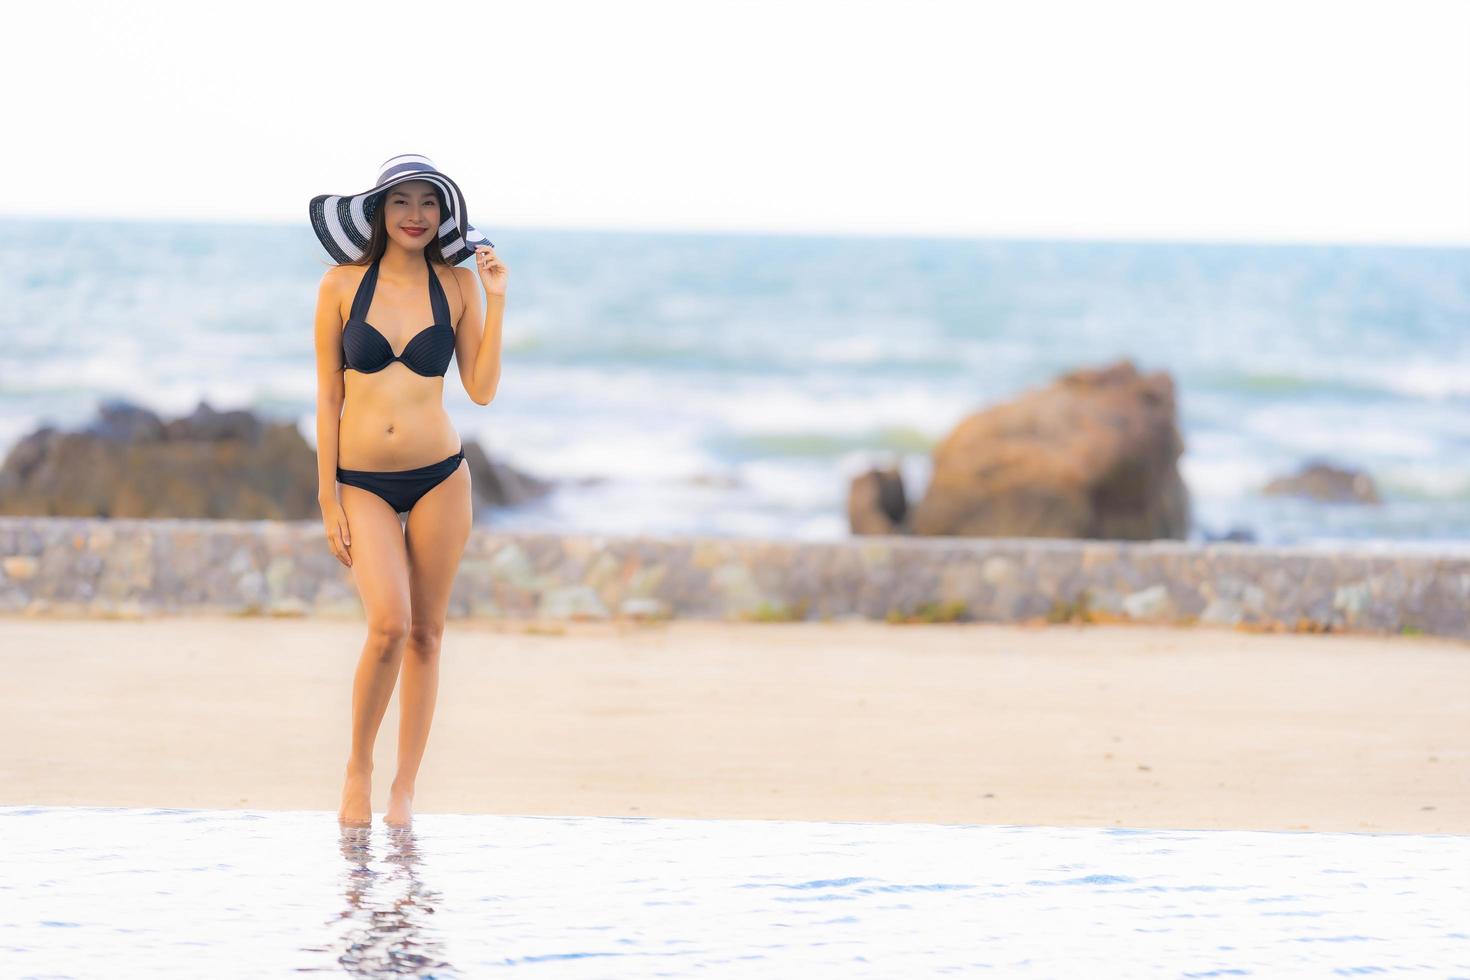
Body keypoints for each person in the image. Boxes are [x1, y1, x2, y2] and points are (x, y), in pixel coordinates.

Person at [308, 154, 508, 827]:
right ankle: (359, 768)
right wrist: (328, 497)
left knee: (427, 635)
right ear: (379, 213)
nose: (415, 214)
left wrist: (496, 297)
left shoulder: (456, 286)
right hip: (360, 480)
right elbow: (328, 395)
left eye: (428, 202)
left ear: (442, 214)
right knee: (388, 625)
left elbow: (479, 389)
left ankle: (404, 790)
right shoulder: (341, 285)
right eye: (401, 202)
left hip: (440, 477)